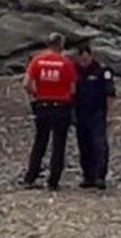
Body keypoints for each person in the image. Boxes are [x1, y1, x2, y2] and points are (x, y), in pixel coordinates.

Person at [21, 32, 77, 190]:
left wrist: (35, 94)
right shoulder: (66, 63)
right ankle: (53, 181)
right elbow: (73, 89)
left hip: (42, 104)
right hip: (61, 106)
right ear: (61, 45)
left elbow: (26, 84)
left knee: (40, 142)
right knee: (59, 144)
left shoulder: (37, 60)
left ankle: (30, 177)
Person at [73, 43, 116, 190]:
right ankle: (88, 176)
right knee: (84, 145)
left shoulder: (102, 71)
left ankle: (100, 176)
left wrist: (110, 114)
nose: (84, 62)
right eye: (81, 59)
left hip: (97, 112)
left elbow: (110, 94)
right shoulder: (74, 70)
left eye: (86, 59)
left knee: (99, 144)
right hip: (80, 112)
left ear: (91, 56)